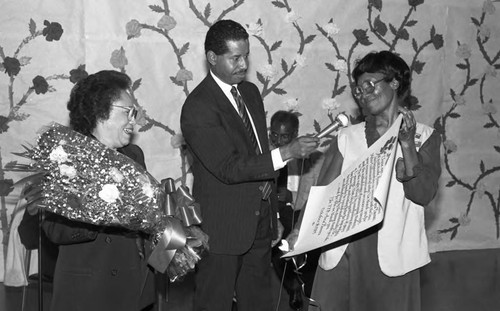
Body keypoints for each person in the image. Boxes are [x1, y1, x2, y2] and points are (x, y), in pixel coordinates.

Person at [180, 20, 319, 311]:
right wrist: (287, 152)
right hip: (222, 228)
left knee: (258, 301)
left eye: (246, 55)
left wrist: (272, 217)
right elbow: (229, 168)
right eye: (235, 58)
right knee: (213, 302)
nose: (244, 64)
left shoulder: (251, 93)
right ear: (212, 58)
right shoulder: (198, 106)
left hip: (259, 223)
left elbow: (255, 155)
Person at [287, 50, 441, 311]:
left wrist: (407, 145)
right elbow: (323, 191)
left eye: (369, 85)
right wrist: (298, 233)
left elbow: (422, 194)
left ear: (394, 83)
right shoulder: (347, 137)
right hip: (342, 254)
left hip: (393, 255)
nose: (363, 94)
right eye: (358, 89)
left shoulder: (425, 137)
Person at [42, 70, 155, 311]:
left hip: (132, 288)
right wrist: (95, 211)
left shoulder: (134, 156)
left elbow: (146, 221)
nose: (134, 120)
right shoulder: (67, 159)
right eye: (128, 112)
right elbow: (53, 230)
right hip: (86, 292)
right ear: (101, 111)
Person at [269, 110, 322, 311]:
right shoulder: (265, 155)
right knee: (276, 240)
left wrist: (290, 197)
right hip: (272, 215)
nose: (278, 140)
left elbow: (314, 195)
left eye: (284, 136)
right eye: (274, 134)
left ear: (295, 134)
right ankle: (293, 287)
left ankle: (305, 292)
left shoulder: (310, 158)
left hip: (300, 216)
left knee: (305, 238)